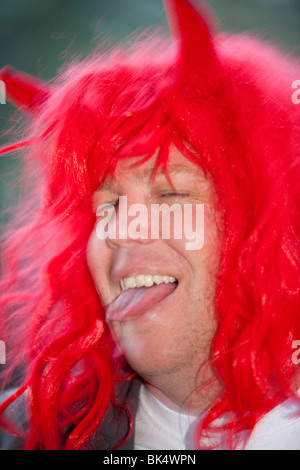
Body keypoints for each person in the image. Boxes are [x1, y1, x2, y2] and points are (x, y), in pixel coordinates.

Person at [1, 0, 300, 451]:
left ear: (276, 222)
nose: (119, 229)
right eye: (105, 207)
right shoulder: (25, 432)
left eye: (170, 194)